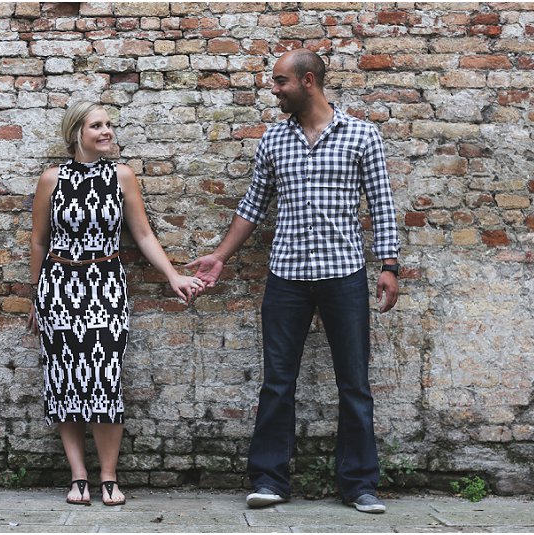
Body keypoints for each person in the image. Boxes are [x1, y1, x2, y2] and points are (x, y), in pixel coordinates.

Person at [188, 49, 400, 514]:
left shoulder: (362, 135)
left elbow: (381, 203)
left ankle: (360, 485)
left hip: (343, 274)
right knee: (277, 383)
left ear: (308, 81)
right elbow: (253, 205)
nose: (274, 89)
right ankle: (269, 480)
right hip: (286, 276)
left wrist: (390, 265)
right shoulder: (274, 139)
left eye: (280, 81)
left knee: (354, 384)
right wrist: (220, 257)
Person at [27, 101, 204, 506]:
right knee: (64, 379)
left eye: (108, 124)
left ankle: (108, 476)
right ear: (76, 132)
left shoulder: (121, 175)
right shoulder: (51, 179)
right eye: (97, 125)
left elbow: (142, 235)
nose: (106, 131)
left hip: (106, 286)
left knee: (105, 378)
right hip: (58, 287)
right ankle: (78, 476)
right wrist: (35, 295)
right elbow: (38, 240)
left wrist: (173, 275)